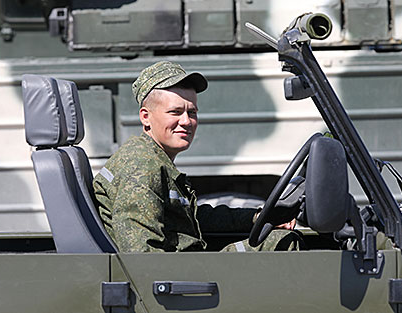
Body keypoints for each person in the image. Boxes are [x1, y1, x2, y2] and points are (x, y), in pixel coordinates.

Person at [93, 61, 302, 252]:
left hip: (187, 272)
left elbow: (194, 218)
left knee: (277, 237)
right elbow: (143, 258)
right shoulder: (140, 167)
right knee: (281, 243)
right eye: (175, 112)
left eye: (192, 112)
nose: (186, 121)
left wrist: (257, 217)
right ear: (146, 117)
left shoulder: (152, 158)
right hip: (182, 281)